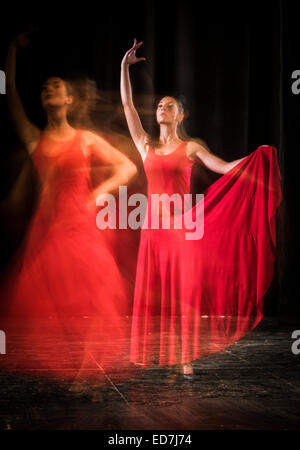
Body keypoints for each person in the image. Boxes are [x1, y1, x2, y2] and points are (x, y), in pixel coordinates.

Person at [121, 39, 282, 378]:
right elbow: (128, 107)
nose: (161, 108)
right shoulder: (145, 145)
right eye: (160, 106)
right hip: (152, 231)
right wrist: (124, 68)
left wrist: (256, 159)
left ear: (180, 114)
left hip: (179, 230)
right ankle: (151, 353)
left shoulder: (191, 147)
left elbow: (223, 167)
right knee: (154, 297)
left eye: (168, 106)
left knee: (181, 298)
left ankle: (183, 356)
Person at [0, 31, 137, 390]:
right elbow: (10, 93)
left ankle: (88, 370)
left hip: (82, 227)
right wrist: (11, 49)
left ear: (69, 98)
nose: (49, 89)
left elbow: (127, 168)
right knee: (52, 304)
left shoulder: (86, 138)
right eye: (45, 87)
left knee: (96, 296)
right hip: (48, 229)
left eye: (56, 86)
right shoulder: (36, 139)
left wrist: (99, 192)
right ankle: (80, 367)